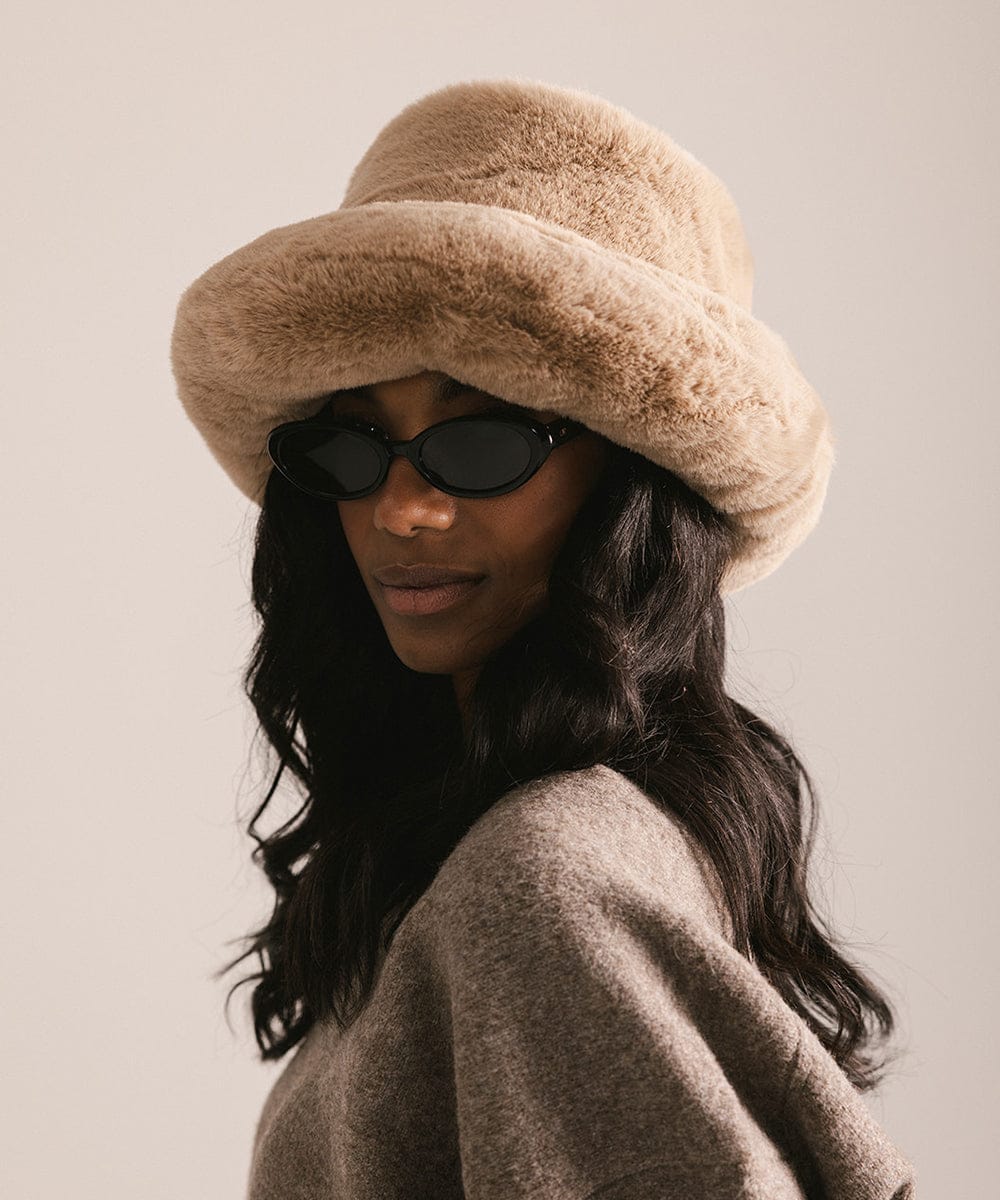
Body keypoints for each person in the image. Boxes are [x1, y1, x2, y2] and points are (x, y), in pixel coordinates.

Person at [171, 78, 917, 1199]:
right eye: (354, 447)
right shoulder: (509, 851)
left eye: (480, 447)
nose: (402, 511)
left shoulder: (537, 885)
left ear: (628, 489)